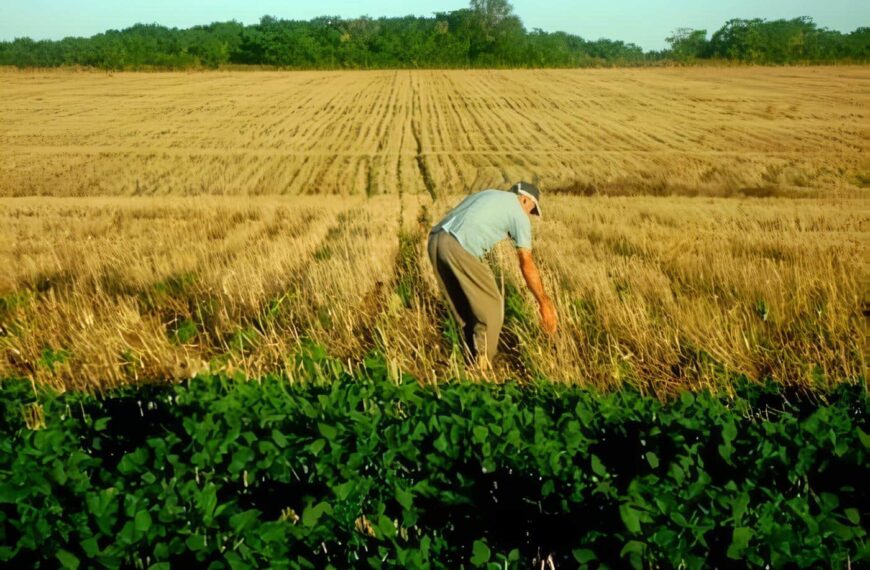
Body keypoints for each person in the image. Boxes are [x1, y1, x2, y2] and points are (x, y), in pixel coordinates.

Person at [427, 181, 558, 368]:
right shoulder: (518, 212)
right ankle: (483, 369)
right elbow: (526, 263)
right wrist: (544, 302)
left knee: (464, 311)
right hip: (460, 246)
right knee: (492, 309)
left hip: (436, 240)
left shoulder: (488, 194)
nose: (530, 214)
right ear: (524, 199)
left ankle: (467, 364)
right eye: (532, 209)